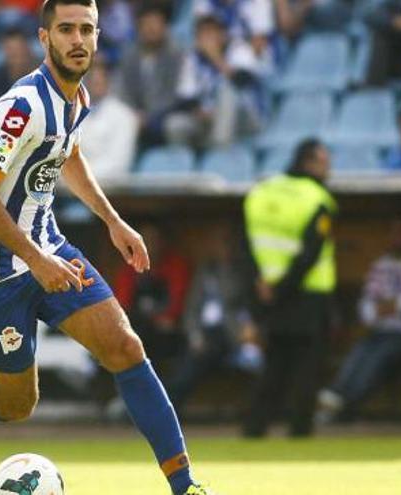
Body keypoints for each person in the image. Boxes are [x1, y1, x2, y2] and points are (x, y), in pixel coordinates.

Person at [0, 2, 216, 494]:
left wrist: (112, 220)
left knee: (125, 347)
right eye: (67, 29)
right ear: (44, 37)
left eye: (87, 30)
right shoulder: (24, 104)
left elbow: (67, 153)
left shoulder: (77, 100)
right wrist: (34, 259)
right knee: (15, 404)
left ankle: (186, 486)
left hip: (49, 246)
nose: (78, 40)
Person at [242, 138, 337, 437]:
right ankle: (300, 430)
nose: (328, 169)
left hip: (266, 290)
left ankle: (255, 428)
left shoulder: (261, 191)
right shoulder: (318, 198)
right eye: (323, 162)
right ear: (308, 163)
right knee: (306, 367)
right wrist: (283, 287)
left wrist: (262, 284)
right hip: (308, 294)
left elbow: (246, 244)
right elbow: (309, 254)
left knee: (274, 365)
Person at [316, 214, 401, 422]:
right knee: (358, 354)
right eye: (393, 232)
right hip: (380, 330)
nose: (397, 237)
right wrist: (388, 307)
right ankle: (335, 397)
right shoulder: (381, 264)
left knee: (380, 356)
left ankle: (346, 406)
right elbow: (367, 307)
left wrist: (386, 306)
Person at [167, 226, 258, 415]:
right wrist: (195, 336)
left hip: (233, 333)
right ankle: (168, 408)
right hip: (205, 336)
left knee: (255, 361)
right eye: (219, 243)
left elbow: (243, 302)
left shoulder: (241, 271)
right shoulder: (205, 271)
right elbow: (191, 308)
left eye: (227, 243)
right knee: (190, 359)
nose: (223, 248)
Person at [165, 14, 266, 148]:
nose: (206, 38)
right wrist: (199, 111)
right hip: (208, 119)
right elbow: (186, 97)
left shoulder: (239, 50)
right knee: (174, 124)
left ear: (222, 35)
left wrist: (214, 56)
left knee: (226, 91)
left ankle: (220, 150)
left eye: (211, 32)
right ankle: (182, 162)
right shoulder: (192, 59)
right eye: (202, 33)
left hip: (245, 116)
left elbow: (242, 81)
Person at [114, 223, 192, 363]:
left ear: (163, 242)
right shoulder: (129, 270)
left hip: (166, 331)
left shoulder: (176, 267)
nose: (149, 246)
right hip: (137, 328)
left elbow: (178, 304)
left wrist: (165, 319)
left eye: (154, 241)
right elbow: (121, 306)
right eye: (145, 241)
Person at [116, 4, 183, 147]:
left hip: (165, 116)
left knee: (173, 124)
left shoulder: (176, 54)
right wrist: (133, 113)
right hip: (136, 118)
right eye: (146, 23)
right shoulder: (130, 56)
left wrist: (149, 116)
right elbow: (122, 91)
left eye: (156, 23)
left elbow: (175, 94)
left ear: (164, 26)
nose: (151, 28)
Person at [79, 56, 138, 180]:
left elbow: (119, 165)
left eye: (101, 78)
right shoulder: (70, 114)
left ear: (109, 81)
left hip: (111, 192)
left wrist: (80, 178)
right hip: (70, 190)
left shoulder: (125, 116)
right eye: (91, 78)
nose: (96, 81)